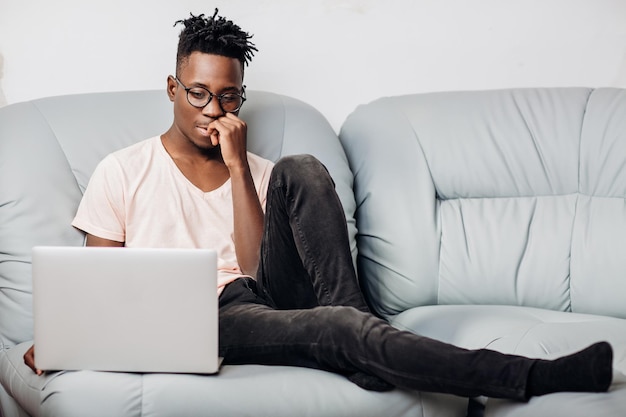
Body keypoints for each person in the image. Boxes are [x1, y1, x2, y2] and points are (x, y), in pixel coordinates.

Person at [25, 9, 613, 402]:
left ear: (240, 96)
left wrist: (236, 169)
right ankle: (530, 377)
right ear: (173, 89)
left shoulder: (254, 170)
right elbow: (93, 286)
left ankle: (357, 329)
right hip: (207, 318)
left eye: (228, 96)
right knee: (335, 327)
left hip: (268, 294)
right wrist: (61, 338)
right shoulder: (122, 170)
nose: (212, 110)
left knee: (301, 167)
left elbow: (257, 271)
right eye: (199, 94)